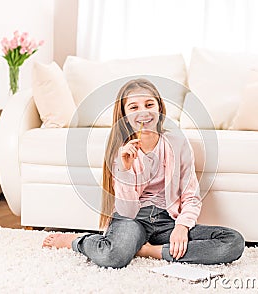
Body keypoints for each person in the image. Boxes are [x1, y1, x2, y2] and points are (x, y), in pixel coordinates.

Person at [42, 78, 245, 268]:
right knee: (113, 256)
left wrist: (182, 227)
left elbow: (191, 195)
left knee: (233, 242)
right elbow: (126, 210)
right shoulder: (121, 152)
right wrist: (126, 170)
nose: (143, 113)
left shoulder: (178, 143)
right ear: (124, 116)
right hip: (133, 220)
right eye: (133, 107)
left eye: (149, 105)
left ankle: (150, 251)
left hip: (168, 220)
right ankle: (76, 241)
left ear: (159, 108)